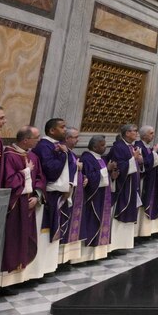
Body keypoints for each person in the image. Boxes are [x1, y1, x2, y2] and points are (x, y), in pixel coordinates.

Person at [0, 126, 42, 287]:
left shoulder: (33, 156)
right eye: (36, 137)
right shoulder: (9, 155)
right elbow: (8, 181)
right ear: (25, 139)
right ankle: (4, 283)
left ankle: (20, 278)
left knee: (26, 239)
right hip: (16, 204)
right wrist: (26, 172)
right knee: (13, 240)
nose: (39, 140)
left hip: (29, 203)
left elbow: (40, 179)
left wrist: (37, 196)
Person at [31, 117, 71, 278]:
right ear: (52, 130)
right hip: (46, 195)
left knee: (50, 231)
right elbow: (51, 170)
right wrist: (62, 156)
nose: (65, 130)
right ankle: (36, 270)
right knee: (42, 231)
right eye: (62, 127)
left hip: (56, 194)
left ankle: (47, 267)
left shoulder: (56, 146)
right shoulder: (44, 146)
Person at [106, 123, 143, 251]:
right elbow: (119, 166)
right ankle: (115, 245)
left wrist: (139, 160)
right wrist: (134, 159)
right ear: (127, 133)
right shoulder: (119, 147)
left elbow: (137, 165)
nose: (137, 133)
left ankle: (124, 244)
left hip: (132, 185)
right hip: (123, 186)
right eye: (135, 131)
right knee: (121, 210)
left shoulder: (132, 146)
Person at [74, 135, 112, 263]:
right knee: (91, 222)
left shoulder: (100, 158)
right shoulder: (87, 158)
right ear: (95, 146)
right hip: (93, 198)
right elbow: (90, 178)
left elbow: (104, 177)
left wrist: (111, 173)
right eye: (102, 145)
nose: (105, 146)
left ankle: (96, 254)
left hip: (103, 196)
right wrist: (107, 170)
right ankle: (84, 256)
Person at [57, 127, 84, 265]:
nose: (77, 139)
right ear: (67, 139)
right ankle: (58, 258)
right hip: (64, 193)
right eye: (75, 137)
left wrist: (82, 176)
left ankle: (65, 258)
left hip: (73, 193)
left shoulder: (70, 153)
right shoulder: (62, 151)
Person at [136, 125, 158, 237]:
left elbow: (148, 161)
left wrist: (153, 153)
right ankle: (138, 232)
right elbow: (145, 164)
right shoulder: (139, 146)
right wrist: (154, 153)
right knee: (142, 203)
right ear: (143, 135)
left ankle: (144, 231)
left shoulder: (148, 147)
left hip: (150, 179)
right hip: (143, 180)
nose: (153, 135)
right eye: (151, 133)